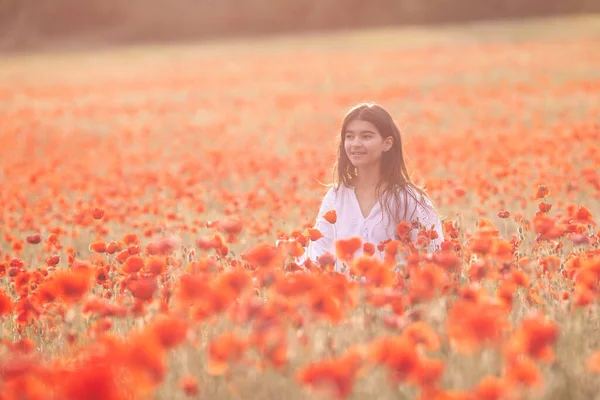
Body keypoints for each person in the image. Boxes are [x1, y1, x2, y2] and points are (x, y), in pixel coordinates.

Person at [297, 102, 444, 273]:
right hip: (346, 295)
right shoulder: (336, 196)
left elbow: (433, 255)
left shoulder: (408, 198)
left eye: (366, 136)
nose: (355, 144)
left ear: (387, 143)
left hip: (394, 296)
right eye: (349, 136)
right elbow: (319, 251)